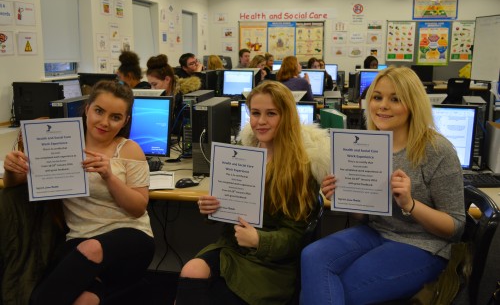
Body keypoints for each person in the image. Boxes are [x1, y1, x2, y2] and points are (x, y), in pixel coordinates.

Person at [300, 67, 466, 304]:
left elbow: (456, 227)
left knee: (327, 290)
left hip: (423, 244)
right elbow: (364, 216)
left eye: (395, 99)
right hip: (377, 232)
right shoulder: (368, 143)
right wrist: (343, 197)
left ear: (413, 104)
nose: (383, 105)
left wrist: (410, 204)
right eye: (377, 97)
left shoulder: (437, 150)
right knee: (312, 256)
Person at [175, 81, 330, 305]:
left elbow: (294, 238)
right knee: (192, 269)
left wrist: (259, 240)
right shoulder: (243, 155)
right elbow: (232, 211)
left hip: (271, 263)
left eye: (271, 113)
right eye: (255, 113)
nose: (261, 121)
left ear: (287, 117)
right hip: (233, 250)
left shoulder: (301, 168)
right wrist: (213, 209)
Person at [3, 81, 155, 305]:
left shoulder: (129, 149)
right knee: (84, 300)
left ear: (125, 121)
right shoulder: (63, 143)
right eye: (99, 111)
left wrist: (109, 176)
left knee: (91, 248)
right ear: (87, 109)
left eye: (115, 117)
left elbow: (138, 208)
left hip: (130, 239)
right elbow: (16, 183)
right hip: (78, 240)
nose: (104, 122)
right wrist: (10, 170)